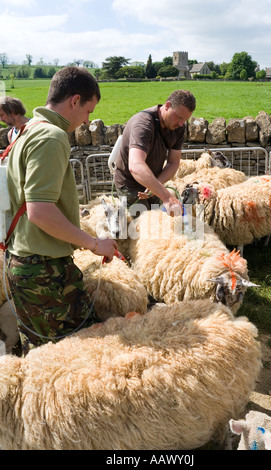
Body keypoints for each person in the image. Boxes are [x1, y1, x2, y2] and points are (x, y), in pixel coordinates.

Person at [5, 66, 117, 355]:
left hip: (23, 261)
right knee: (80, 352)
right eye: (88, 111)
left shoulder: (27, 130)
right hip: (43, 270)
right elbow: (40, 211)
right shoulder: (52, 137)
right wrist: (93, 243)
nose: (87, 120)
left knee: (41, 354)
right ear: (75, 100)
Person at [113, 89, 196, 216]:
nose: (181, 123)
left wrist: (156, 185)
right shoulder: (143, 124)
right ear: (167, 106)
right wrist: (167, 197)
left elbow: (173, 163)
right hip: (130, 184)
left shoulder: (178, 127)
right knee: (140, 227)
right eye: (179, 117)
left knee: (158, 223)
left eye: (185, 120)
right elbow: (135, 165)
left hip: (153, 182)